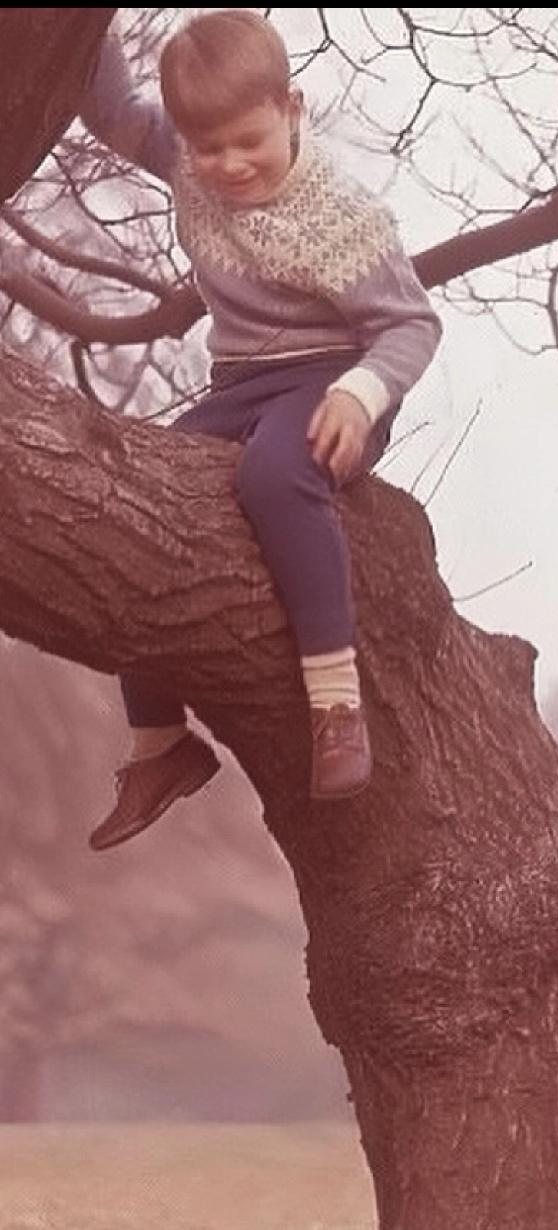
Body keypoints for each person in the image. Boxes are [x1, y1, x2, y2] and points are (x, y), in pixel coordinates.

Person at [79, 11, 442, 851]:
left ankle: (337, 703)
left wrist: (361, 395)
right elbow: (112, 110)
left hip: (333, 379)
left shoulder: (339, 215)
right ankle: (159, 742)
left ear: (292, 108)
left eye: (250, 141)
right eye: (210, 149)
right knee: (136, 493)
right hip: (240, 383)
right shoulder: (184, 155)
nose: (231, 165)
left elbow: (411, 325)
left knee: (274, 476)